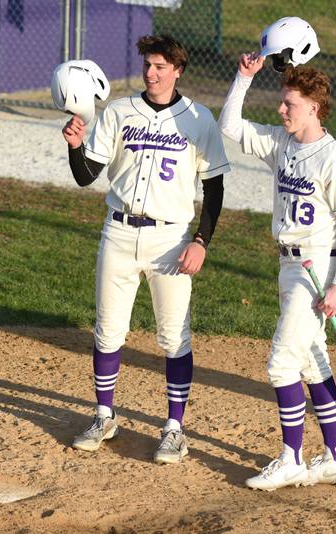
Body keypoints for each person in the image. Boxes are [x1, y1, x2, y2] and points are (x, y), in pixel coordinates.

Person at [61, 34, 231, 464]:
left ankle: (174, 427)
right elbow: (86, 176)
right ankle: (104, 415)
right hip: (117, 234)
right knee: (107, 330)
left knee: (173, 337)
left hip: (170, 240)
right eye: (147, 66)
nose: (151, 73)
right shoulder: (119, 111)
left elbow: (214, 189)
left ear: (177, 70)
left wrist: (200, 241)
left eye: (159, 67)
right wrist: (76, 146)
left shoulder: (199, 119)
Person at [218, 52, 336, 490]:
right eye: (282, 103)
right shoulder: (282, 144)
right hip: (287, 263)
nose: (281, 110)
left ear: (314, 108)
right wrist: (243, 78)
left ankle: (291, 459)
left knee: (282, 363)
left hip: (316, 266)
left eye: (290, 105)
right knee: (312, 361)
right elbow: (230, 127)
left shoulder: (335, 159)